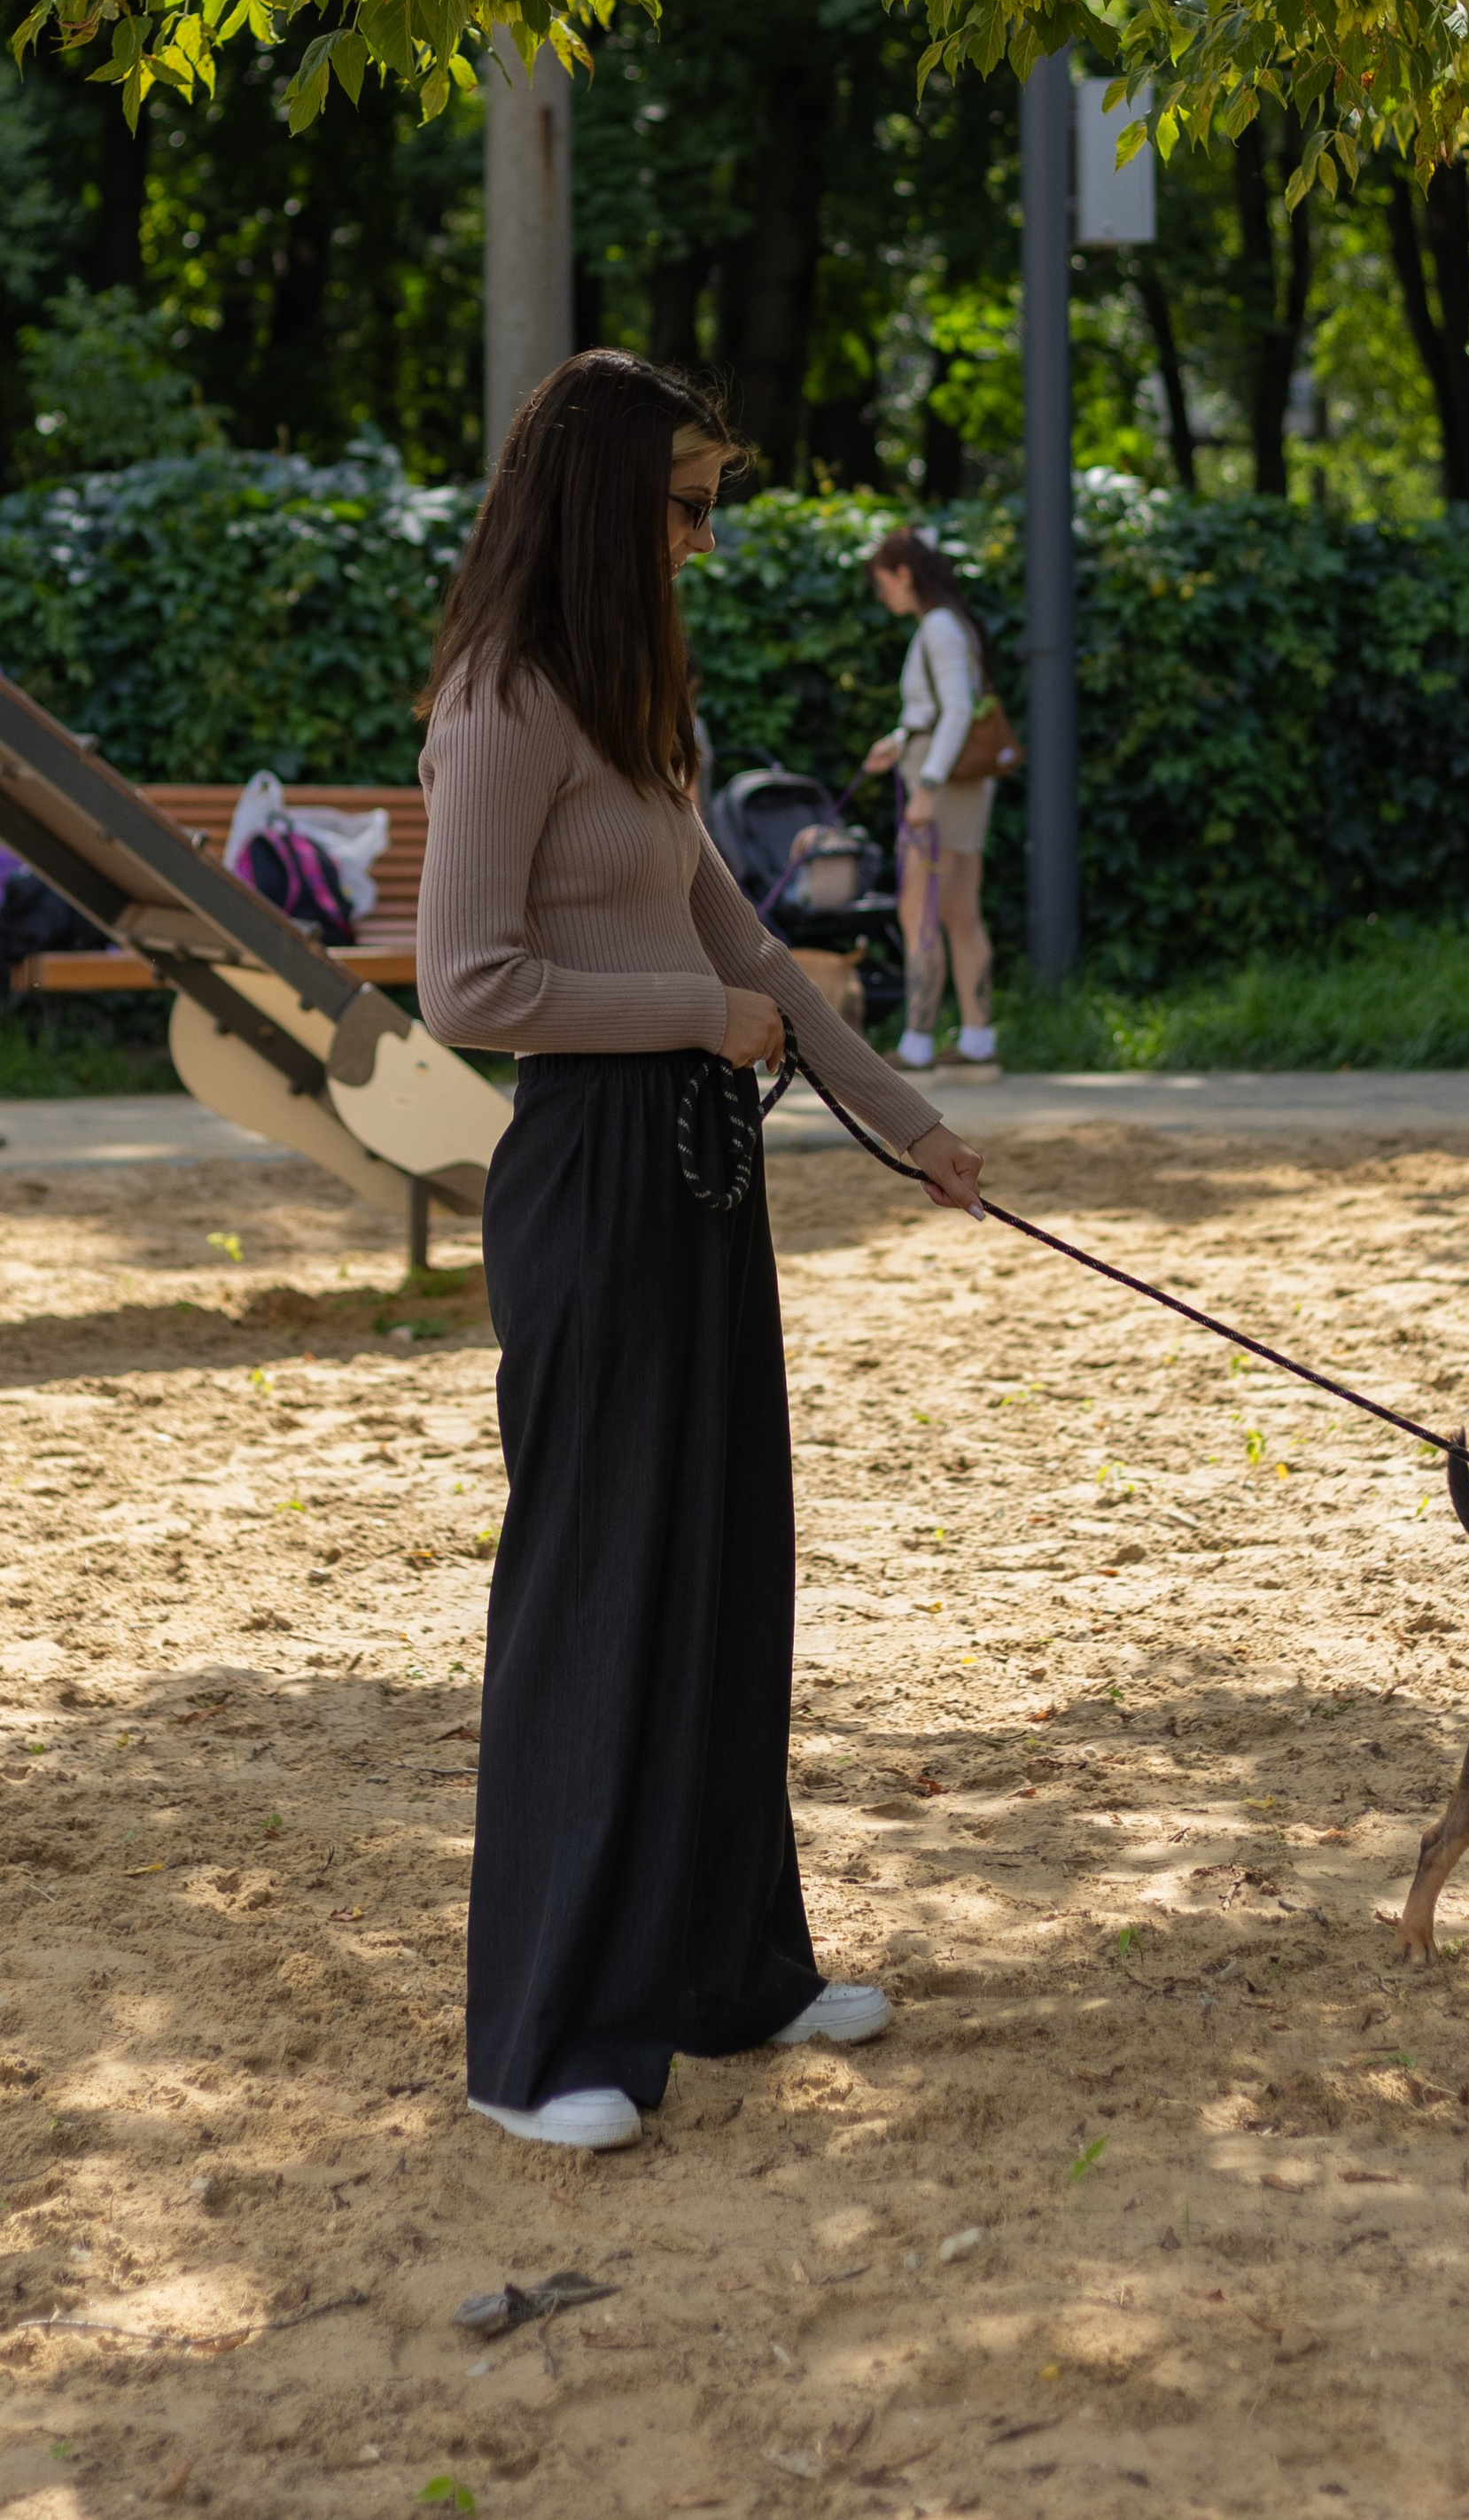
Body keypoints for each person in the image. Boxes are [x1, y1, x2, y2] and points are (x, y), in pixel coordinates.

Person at [416, 354, 984, 2154]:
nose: (702, 536)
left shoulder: (635, 697)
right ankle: (542, 2041)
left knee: (726, 1566)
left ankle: (734, 1969)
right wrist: (697, 1013)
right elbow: (467, 983)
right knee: (593, 1588)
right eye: (682, 505)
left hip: (699, 1181)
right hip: (587, 1173)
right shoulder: (500, 702)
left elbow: (737, 932)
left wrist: (902, 1115)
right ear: (598, 503)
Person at [861, 527, 999, 1075]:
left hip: (939, 793)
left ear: (903, 574)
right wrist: (899, 743)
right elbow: (942, 711)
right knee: (960, 913)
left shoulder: (937, 627)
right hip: (961, 789)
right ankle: (977, 1040)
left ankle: (917, 1044)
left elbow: (958, 711)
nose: (883, 595)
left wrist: (926, 785)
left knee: (917, 911)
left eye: (883, 583)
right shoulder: (951, 624)